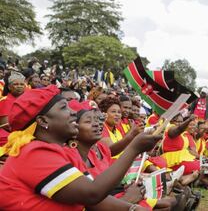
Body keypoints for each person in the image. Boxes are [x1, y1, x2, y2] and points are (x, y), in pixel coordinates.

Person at [0, 85, 161, 210]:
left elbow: (94, 201)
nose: (72, 114)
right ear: (43, 121)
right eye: (64, 108)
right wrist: (134, 148)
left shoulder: (55, 151)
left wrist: (132, 208)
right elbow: (92, 194)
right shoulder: (33, 152)